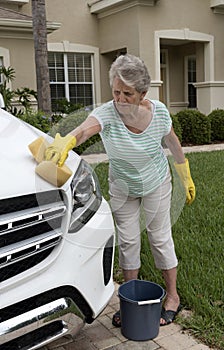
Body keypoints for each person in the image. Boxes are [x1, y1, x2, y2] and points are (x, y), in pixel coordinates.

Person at [44, 54, 196, 326]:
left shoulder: (159, 112)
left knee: (159, 238)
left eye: (128, 94)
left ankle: (172, 296)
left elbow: (171, 141)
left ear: (142, 94)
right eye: (116, 92)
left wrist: (185, 174)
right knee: (128, 241)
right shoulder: (107, 113)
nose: (120, 99)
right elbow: (84, 131)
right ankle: (131, 297)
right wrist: (67, 141)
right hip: (123, 185)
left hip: (156, 182)